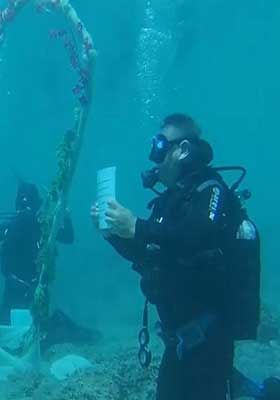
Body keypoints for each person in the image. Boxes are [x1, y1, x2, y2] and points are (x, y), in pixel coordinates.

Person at [91, 114, 260, 400]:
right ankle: (248, 388)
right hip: (176, 341)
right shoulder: (167, 202)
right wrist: (112, 234)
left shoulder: (211, 190)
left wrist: (137, 226)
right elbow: (147, 253)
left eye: (159, 146)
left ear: (182, 149)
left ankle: (256, 390)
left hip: (210, 339)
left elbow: (198, 234)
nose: (154, 158)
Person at [0, 180, 74, 324]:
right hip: (20, 284)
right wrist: (66, 216)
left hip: (31, 285)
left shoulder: (39, 227)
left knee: (23, 321)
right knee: (19, 321)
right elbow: (68, 237)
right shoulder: (38, 227)